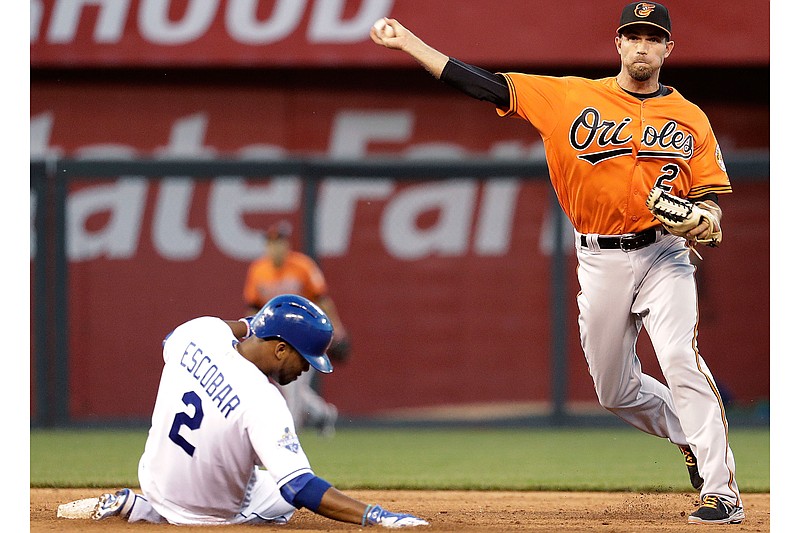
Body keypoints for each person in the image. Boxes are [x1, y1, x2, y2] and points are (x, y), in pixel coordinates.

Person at [370, 2, 743, 525]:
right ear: (618, 44)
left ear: (667, 49)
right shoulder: (569, 97)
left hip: (664, 254)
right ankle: (688, 436)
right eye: (633, 36)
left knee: (680, 356)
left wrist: (701, 220)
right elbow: (487, 86)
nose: (642, 46)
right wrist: (411, 44)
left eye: (652, 38)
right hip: (599, 258)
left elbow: (711, 205)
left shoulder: (690, 117)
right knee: (615, 391)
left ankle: (720, 489)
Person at [91, 294, 427, 528]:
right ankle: (155, 514)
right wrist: (373, 515)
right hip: (208, 516)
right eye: (304, 359)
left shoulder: (197, 333)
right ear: (280, 349)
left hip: (154, 480)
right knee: (286, 498)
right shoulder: (264, 402)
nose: (305, 370)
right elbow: (299, 487)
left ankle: (142, 506)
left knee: (262, 476)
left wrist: (254, 326)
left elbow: (174, 339)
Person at [242, 220, 350, 436]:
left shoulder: (303, 266)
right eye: (271, 242)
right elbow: (253, 307)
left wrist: (337, 328)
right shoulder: (258, 270)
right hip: (275, 338)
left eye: (279, 241)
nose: (275, 247)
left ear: (286, 244)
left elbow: (322, 300)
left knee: (293, 390)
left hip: (303, 335)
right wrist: (251, 334)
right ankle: (323, 413)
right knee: (293, 388)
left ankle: (288, 436)